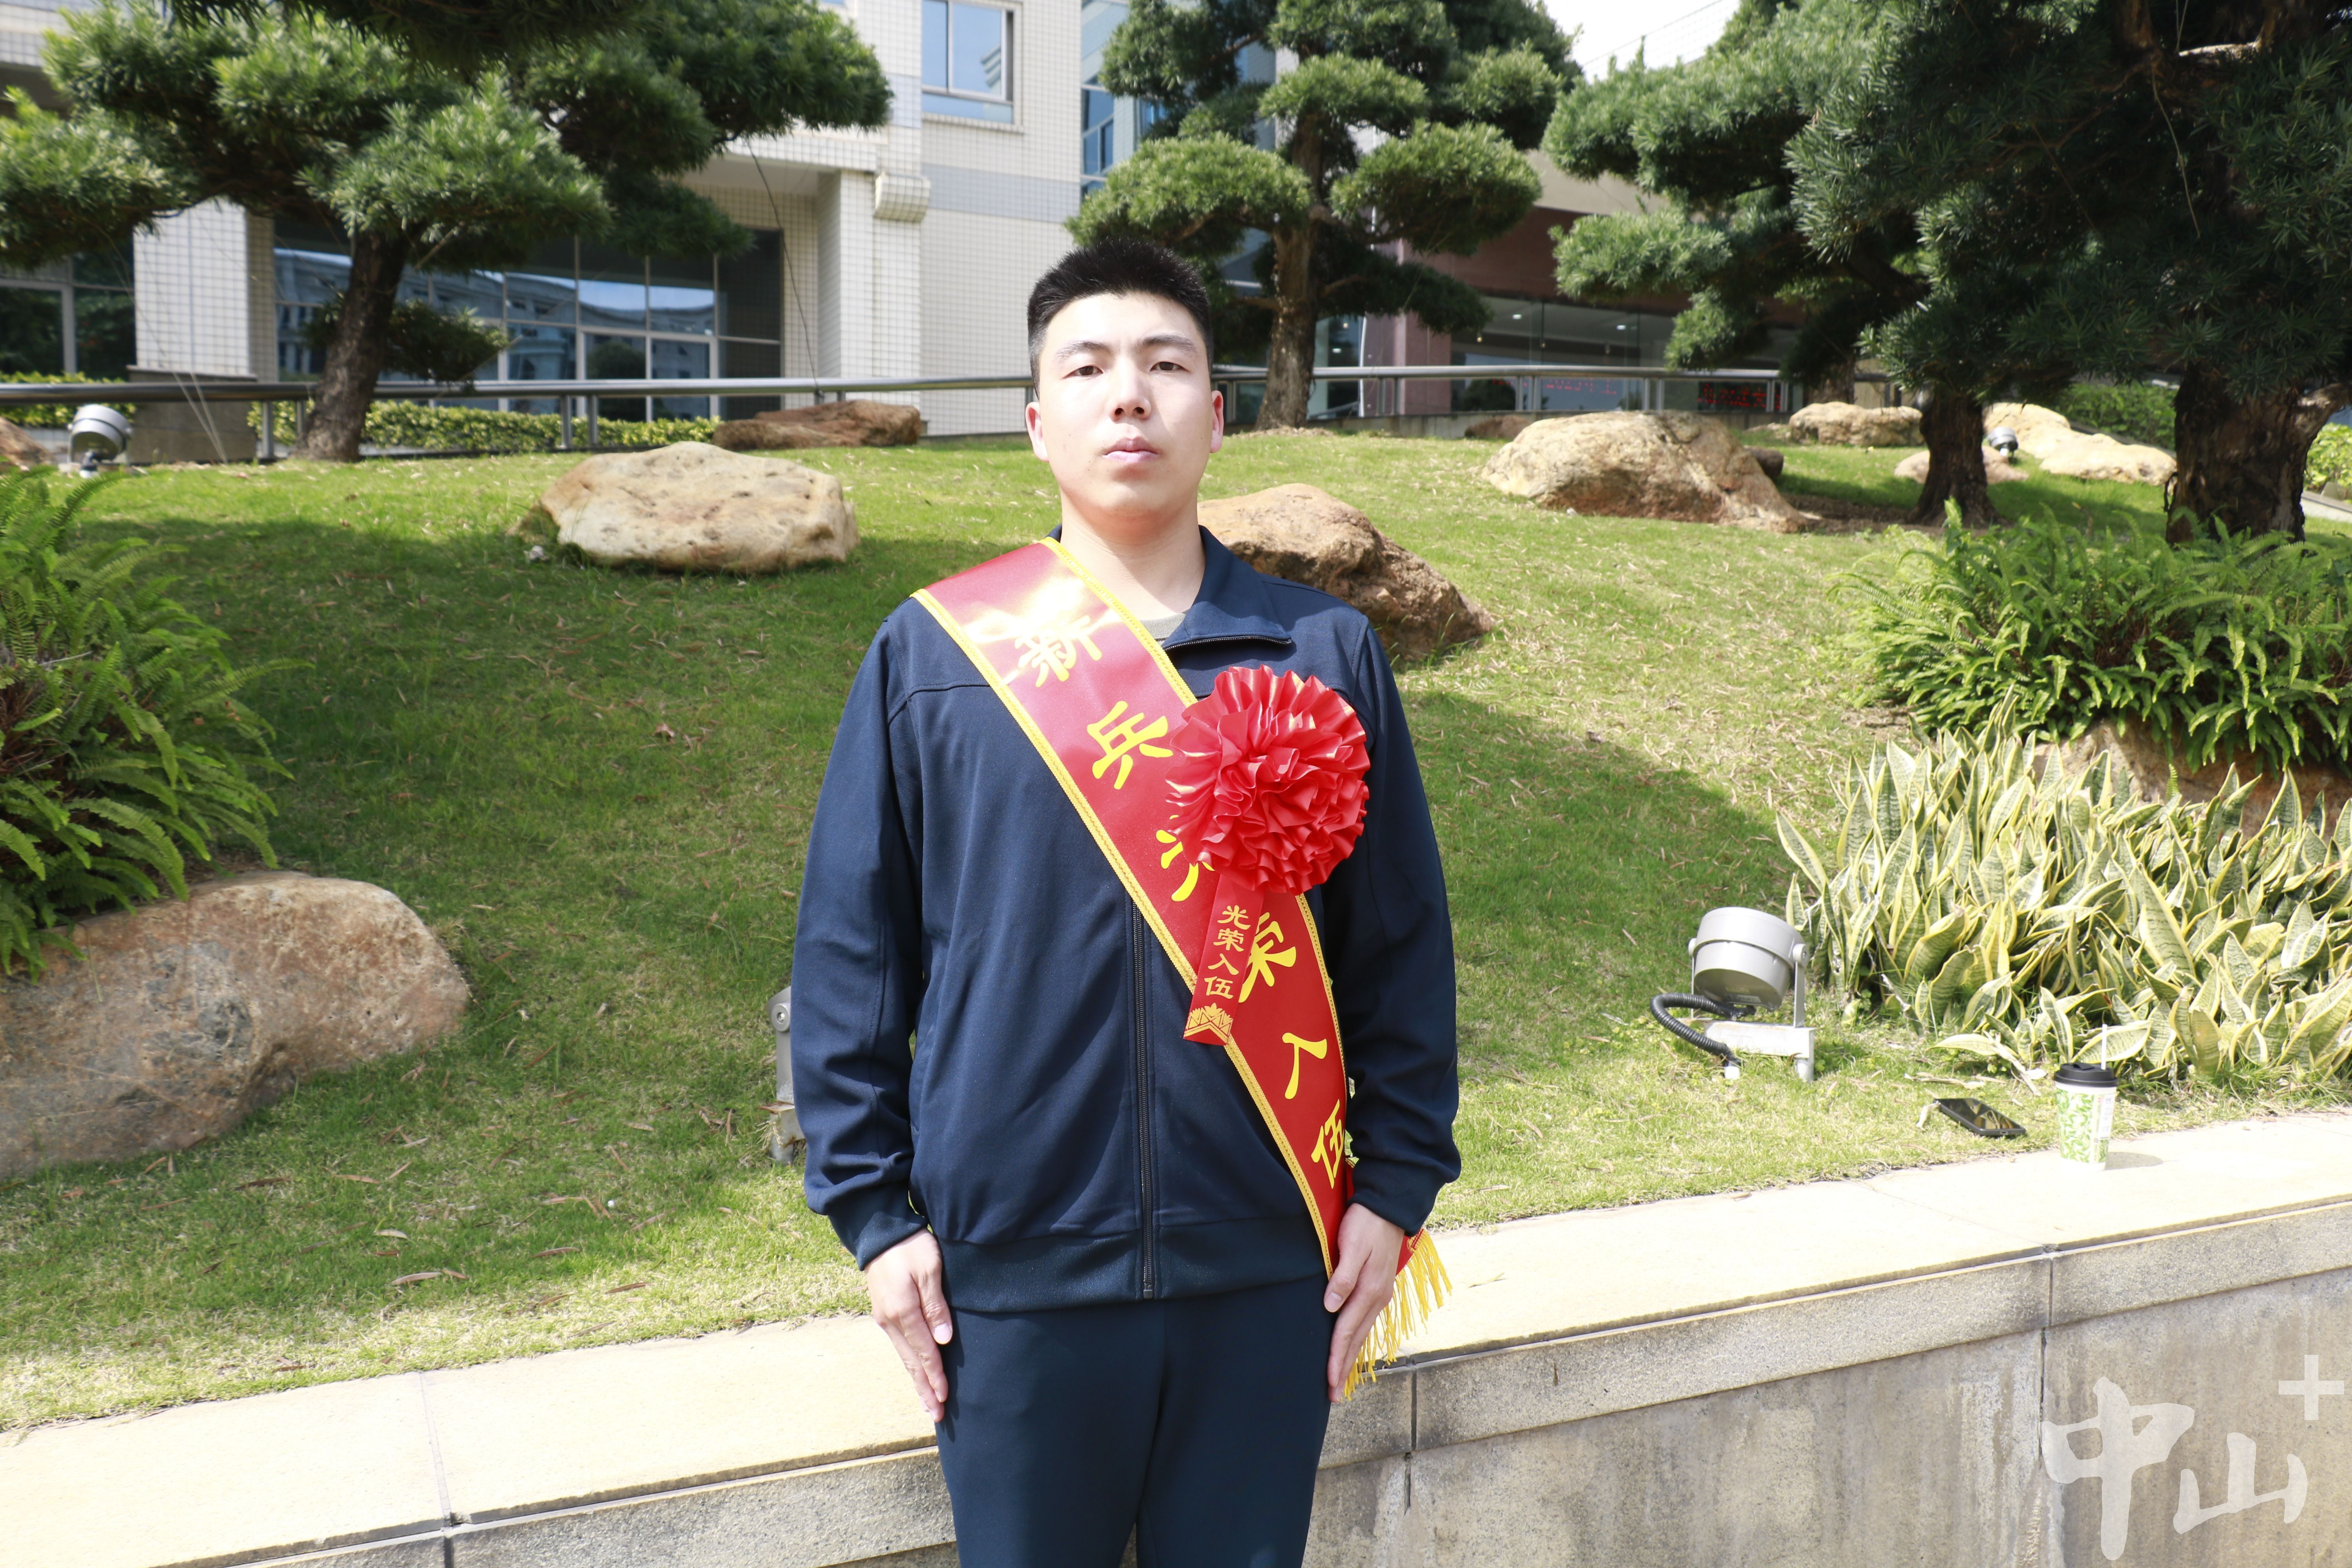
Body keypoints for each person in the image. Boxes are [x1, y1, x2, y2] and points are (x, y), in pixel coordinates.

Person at [791, 238, 1459, 1568]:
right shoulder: (935, 656)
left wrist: (1393, 1190)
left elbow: (1398, 947)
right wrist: (875, 1219)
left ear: (1218, 413)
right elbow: (853, 956)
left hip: (1269, 1267)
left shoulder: (1320, 654)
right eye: (1087, 368)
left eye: (1166, 365)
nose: (1129, 396)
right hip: (1010, 1274)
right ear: (1037, 421)